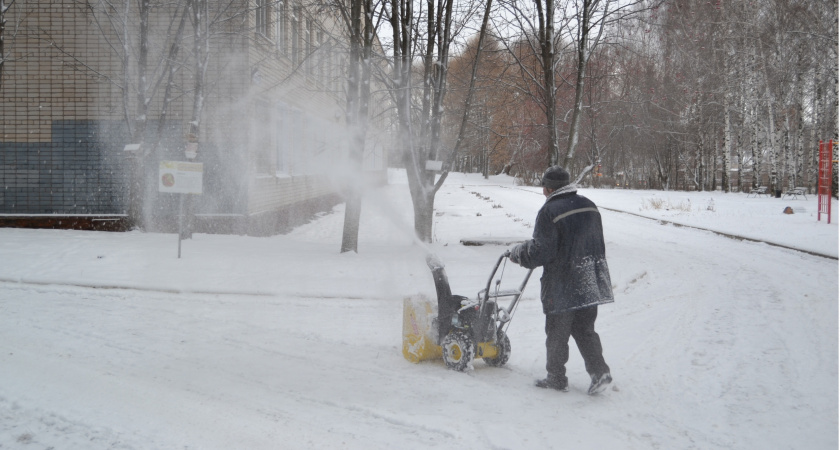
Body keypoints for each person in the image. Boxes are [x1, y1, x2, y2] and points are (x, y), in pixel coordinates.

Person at [509, 166, 614, 395]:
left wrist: (519, 253)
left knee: (557, 331)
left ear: (548, 187)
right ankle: (600, 372)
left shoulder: (549, 211)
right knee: (585, 328)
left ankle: (556, 378)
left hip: (562, 282)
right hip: (590, 276)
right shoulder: (589, 205)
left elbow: (541, 252)